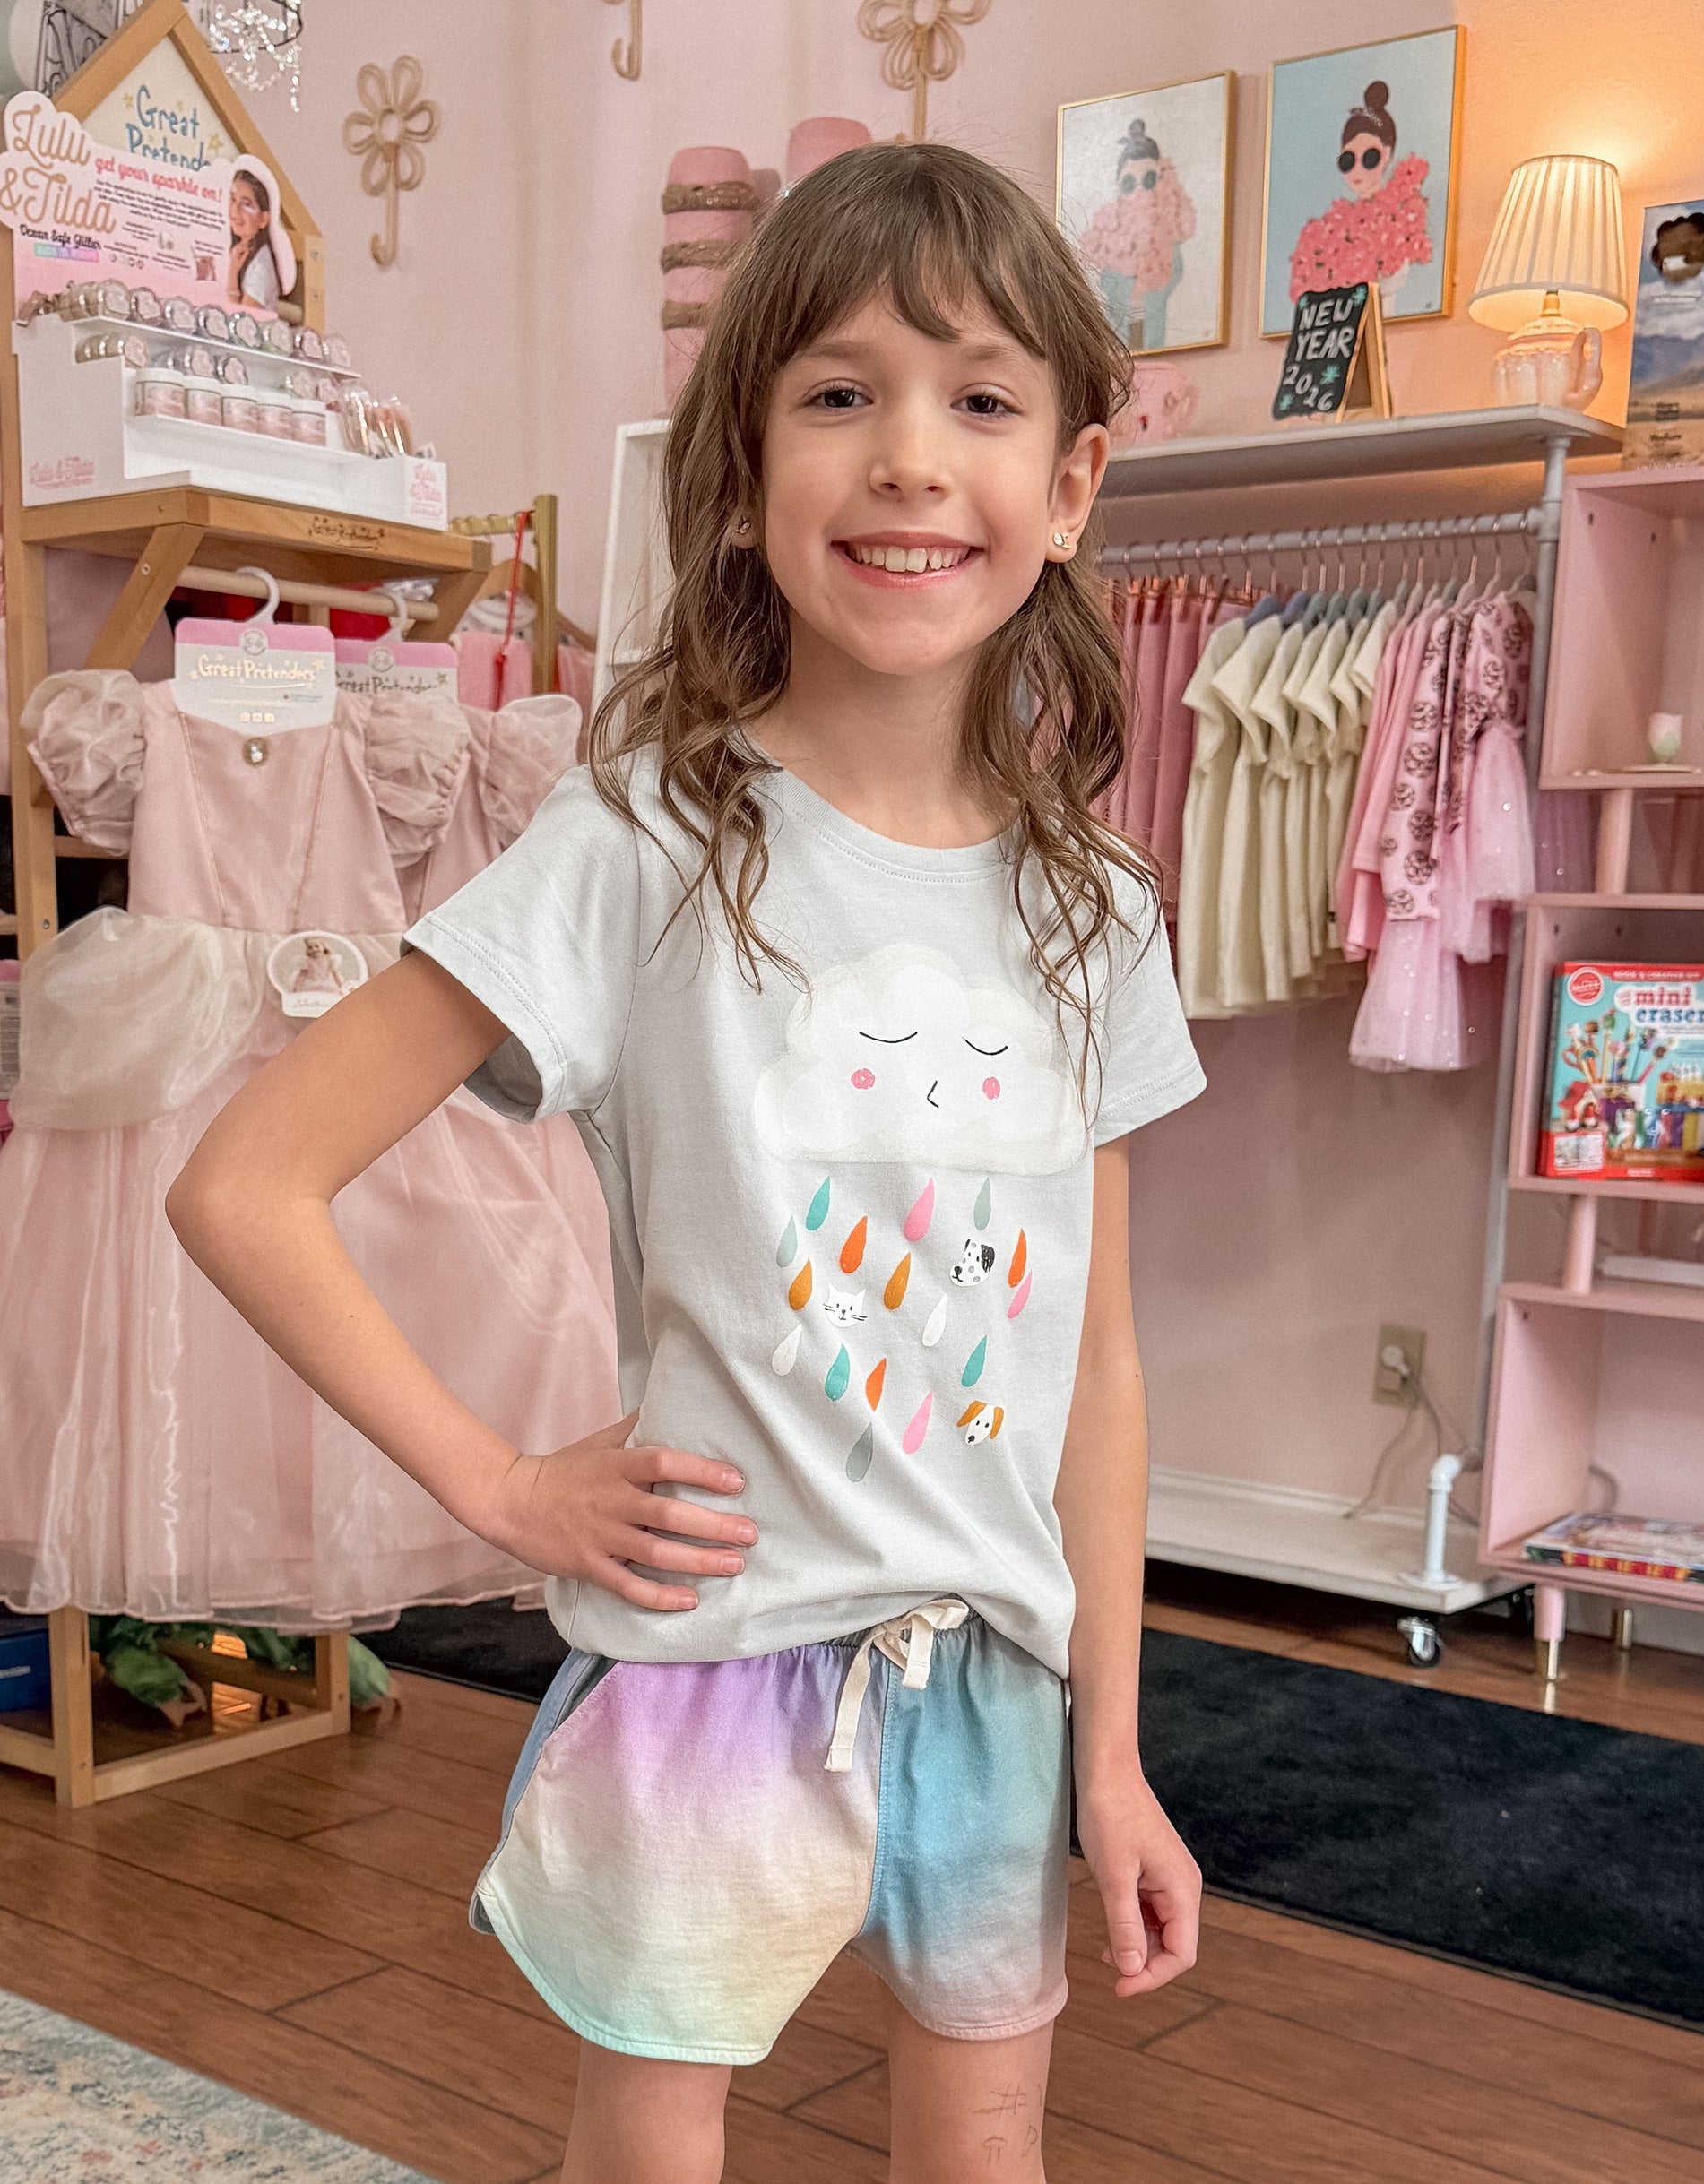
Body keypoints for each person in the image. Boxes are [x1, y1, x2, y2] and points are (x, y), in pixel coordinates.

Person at [168, 140, 1206, 2184]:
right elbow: (246, 1181)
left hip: (991, 1678)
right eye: (840, 394)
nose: (914, 457)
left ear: (1072, 487)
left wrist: (1113, 1753)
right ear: (741, 471)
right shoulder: (643, 844)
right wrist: (502, 1482)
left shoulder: (1103, 906)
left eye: (983, 400)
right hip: (717, 1667)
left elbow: (1099, 1368)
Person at [1288, 79, 1432, 310]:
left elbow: (1389, 281)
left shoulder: (1401, 213)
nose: (1357, 170)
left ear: (1386, 154)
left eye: (1369, 158)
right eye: (1347, 161)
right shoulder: (1333, 224)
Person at [1076, 117, 1197, 353]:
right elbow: (1103, 280)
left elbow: (1175, 272)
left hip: (1152, 318)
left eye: (1149, 181)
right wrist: (1125, 292)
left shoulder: (1166, 234)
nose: (1140, 191)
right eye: (1130, 184)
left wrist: (1148, 293)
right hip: (1119, 322)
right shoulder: (1109, 234)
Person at [226, 153, 297, 311]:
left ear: (264, 219)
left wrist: (232, 275)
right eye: (233, 199)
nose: (235, 210)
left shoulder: (261, 268)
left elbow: (242, 324)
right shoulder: (240, 253)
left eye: (246, 203)